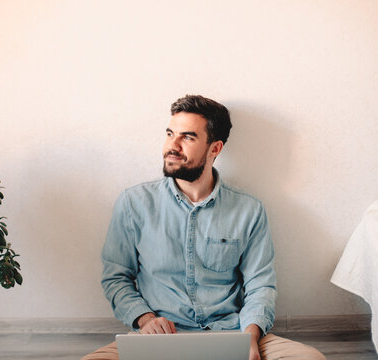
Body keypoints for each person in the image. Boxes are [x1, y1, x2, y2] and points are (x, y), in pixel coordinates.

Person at [81, 95, 325, 360]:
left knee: (311, 359)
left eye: (187, 137)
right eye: (170, 134)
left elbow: (260, 286)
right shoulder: (133, 203)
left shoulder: (248, 210)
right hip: (158, 340)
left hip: (233, 333)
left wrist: (250, 338)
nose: (172, 146)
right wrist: (145, 319)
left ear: (215, 148)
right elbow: (116, 277)